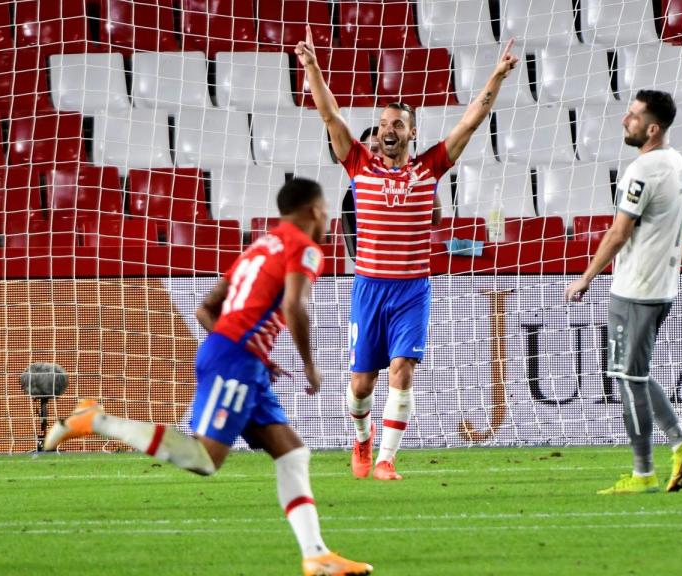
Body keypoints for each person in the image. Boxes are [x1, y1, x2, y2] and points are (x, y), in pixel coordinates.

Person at [44, 179, 372, 576]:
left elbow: (205, 309)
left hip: (239, 358)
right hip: (235, 360)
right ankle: (95, 420)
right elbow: (294, 305)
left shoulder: (259, 247)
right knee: (204, 459)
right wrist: (307, 363)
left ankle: (316, 555)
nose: (328, 220)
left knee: (292, 453)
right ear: (316, 211)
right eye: (325, 211)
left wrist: (252, 352)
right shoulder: (304, 247)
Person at [296, 27, 519, 481]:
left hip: (413, 289)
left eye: (396, 124)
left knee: (402, 370)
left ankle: (386, 460)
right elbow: (330, 116)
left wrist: (495, 77)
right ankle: (362, 440)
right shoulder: (359, 165)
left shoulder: (430, 168)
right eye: (383, 125)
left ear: (412, 131)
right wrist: (313, 68)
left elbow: (470, 122)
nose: (388, 130)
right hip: (369, 288)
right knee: (361, 386)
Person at [564, 90, 682, 494]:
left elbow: (619, 232)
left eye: (633, 116)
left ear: (652, 128)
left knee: (627, 378)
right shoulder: (677, 162)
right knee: (635, 375)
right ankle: (681, 446)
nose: (625, 120)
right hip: (660, 285)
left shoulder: (643, 170)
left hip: (636, 287)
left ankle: (644, 473)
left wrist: (586, 277)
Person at [340, 127, 380, 261]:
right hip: (370, 268)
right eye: (373, 150)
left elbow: (435, 219)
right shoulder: (353, 192)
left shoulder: (406, 180)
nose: (380, 155)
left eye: (384, 149)